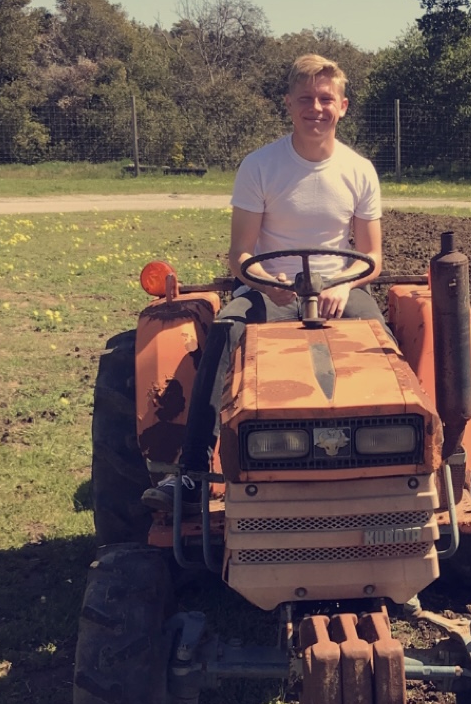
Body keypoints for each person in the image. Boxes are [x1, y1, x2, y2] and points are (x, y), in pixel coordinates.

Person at [142, 53, 385, 510]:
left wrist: (343, 286)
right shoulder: (260, 165)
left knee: (381, 342)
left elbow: (371, 258)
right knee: (227, 329)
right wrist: (266, 281)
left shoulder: (359, 170)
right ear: (289, 104)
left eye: (326, 99)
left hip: (337, 289)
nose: (316, 108)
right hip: (271, 288)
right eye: (306, 99)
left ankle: (404, 463)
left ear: (343, 106)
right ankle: (193, 472)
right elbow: (240, 254)